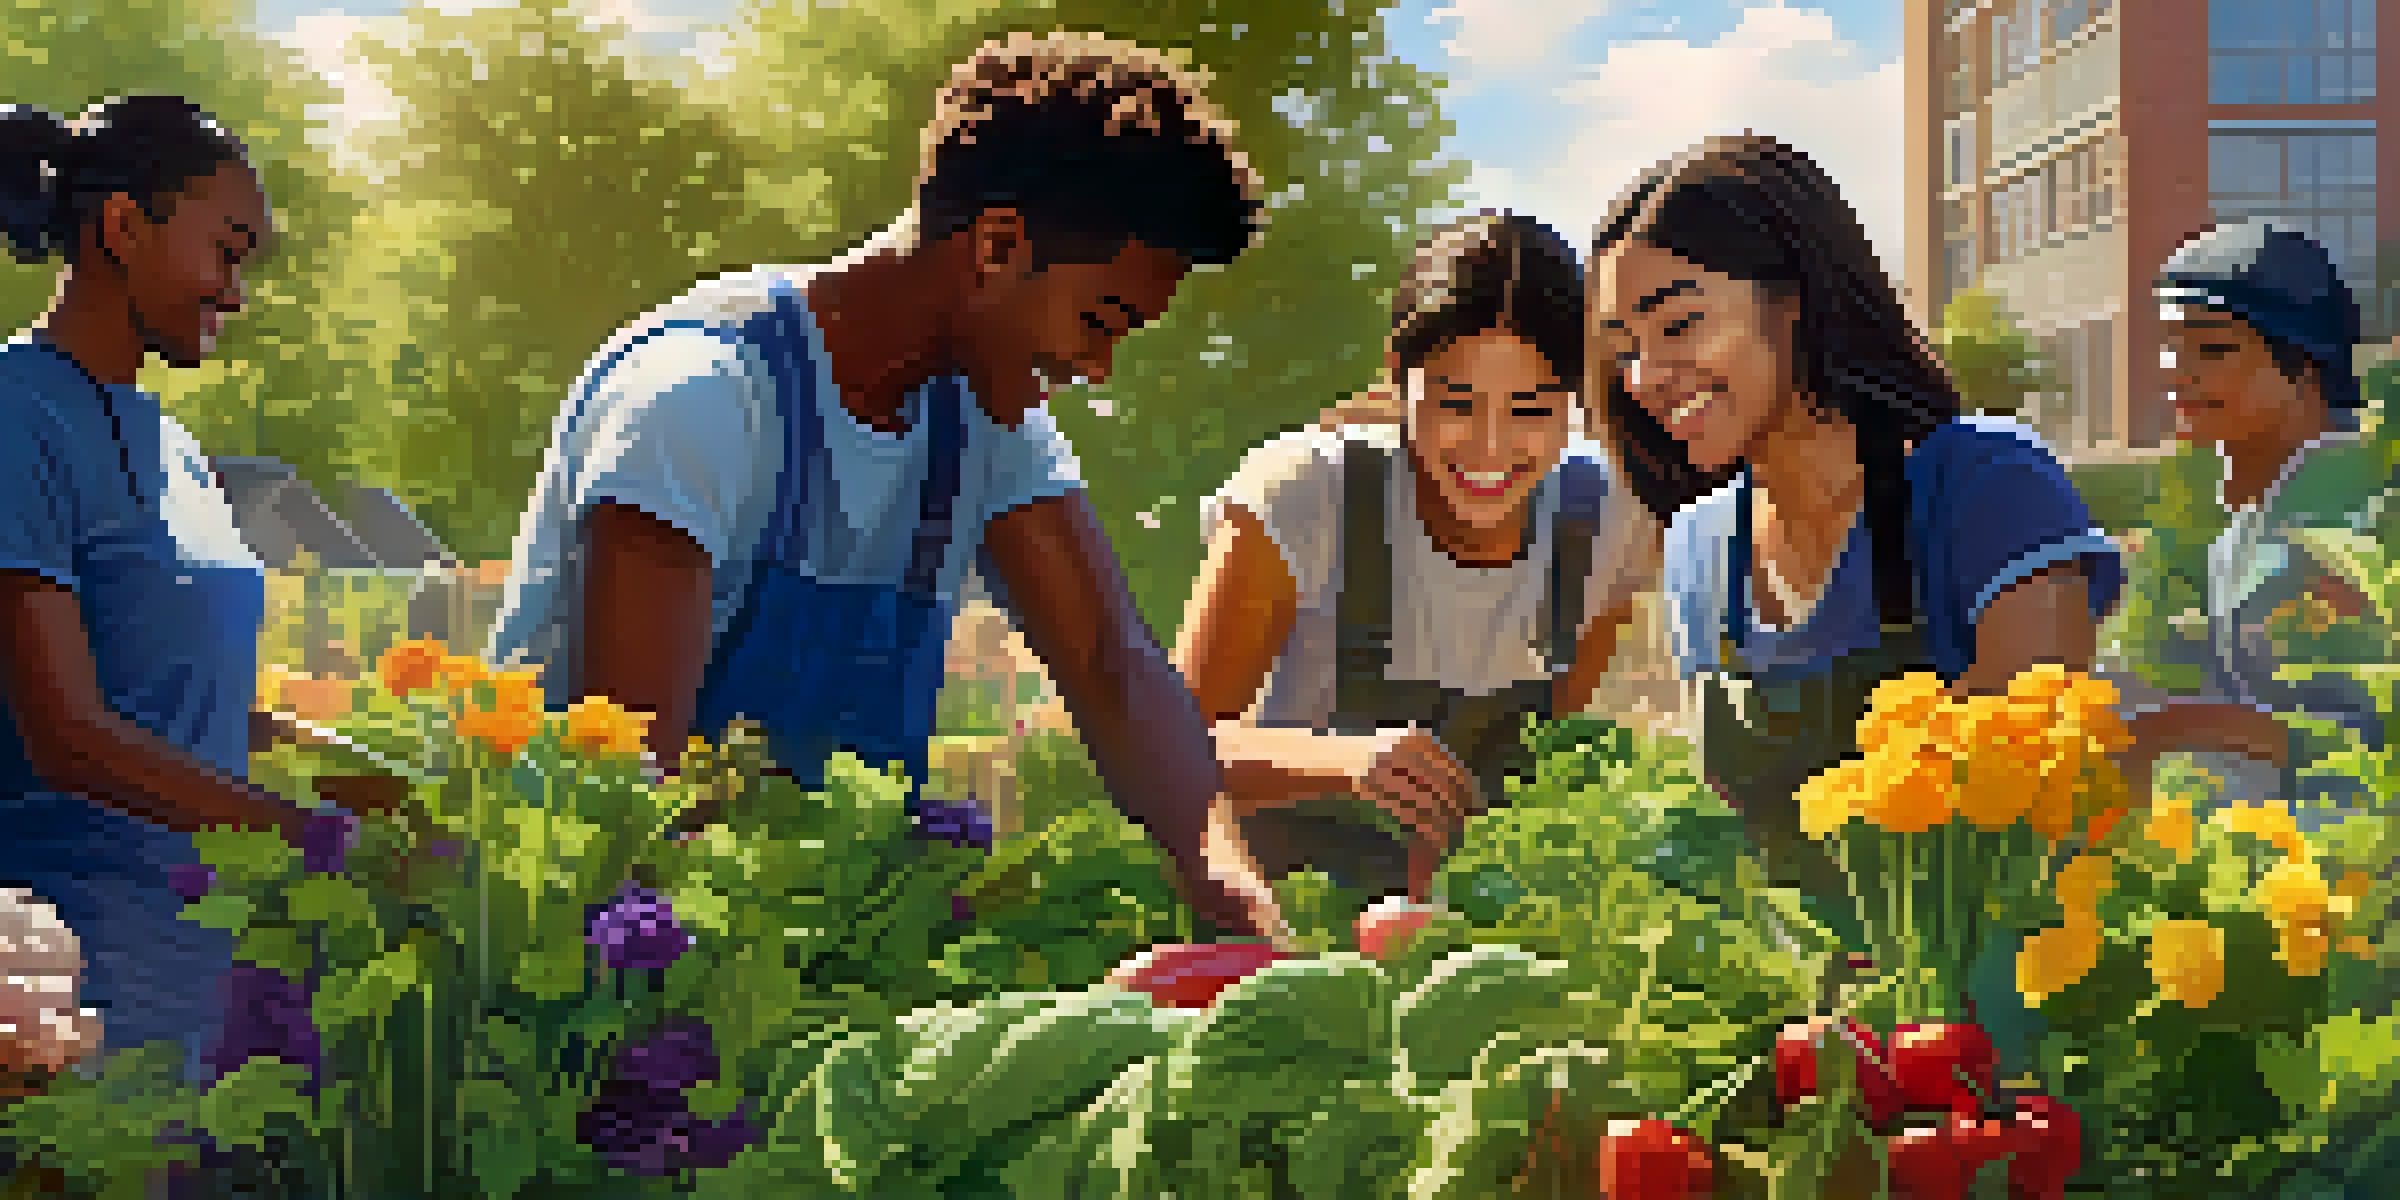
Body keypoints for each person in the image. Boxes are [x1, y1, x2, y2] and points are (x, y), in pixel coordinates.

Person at [482, 33, 1267, 932]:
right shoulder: (698, 399)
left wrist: (1234, 898)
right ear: (999, 247)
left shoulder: (986, 422)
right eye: (1100, 320)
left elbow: (1112, 667)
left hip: (795, 945)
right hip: (593, 958)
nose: (1098, 366)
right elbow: (633, 788)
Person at [1585, 133, 2124, 985]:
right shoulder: (1697, 548)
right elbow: (1727, 847)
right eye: (1624, 347)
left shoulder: (1983, 485)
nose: (1648, 375)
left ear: (1791, 297)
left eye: (1680, 323)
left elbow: (2043, 800)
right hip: (1796, 1040)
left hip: (1986, 1041)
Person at [1172, 212, 1659, 937]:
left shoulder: (1608, 519)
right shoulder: (1309, 492)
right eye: (1455, 404)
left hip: (1478, 944)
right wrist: (1341, 761)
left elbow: (1553, 757)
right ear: (1401, 382)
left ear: (1578, 401)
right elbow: (1170, 747)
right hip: (1282, 933)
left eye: (1532, 409)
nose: (1491, 448)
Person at [0, 97, 329, 1090]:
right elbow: (68, 732)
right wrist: (309, 837)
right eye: (225, 253)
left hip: (207, 983)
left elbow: (187, 696)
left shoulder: (175, 448)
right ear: (122, 228)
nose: (234, 293)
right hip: (68, 992)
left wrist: (390, 785)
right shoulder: (18, 421)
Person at [2116, 219, 2391, 828]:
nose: (2175, 372)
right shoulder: (2254, 509)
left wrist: (2176, 727)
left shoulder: (2351, 518)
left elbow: (2364, 736)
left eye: (2212, 350)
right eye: (2171, 345)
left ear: (2307, 365)